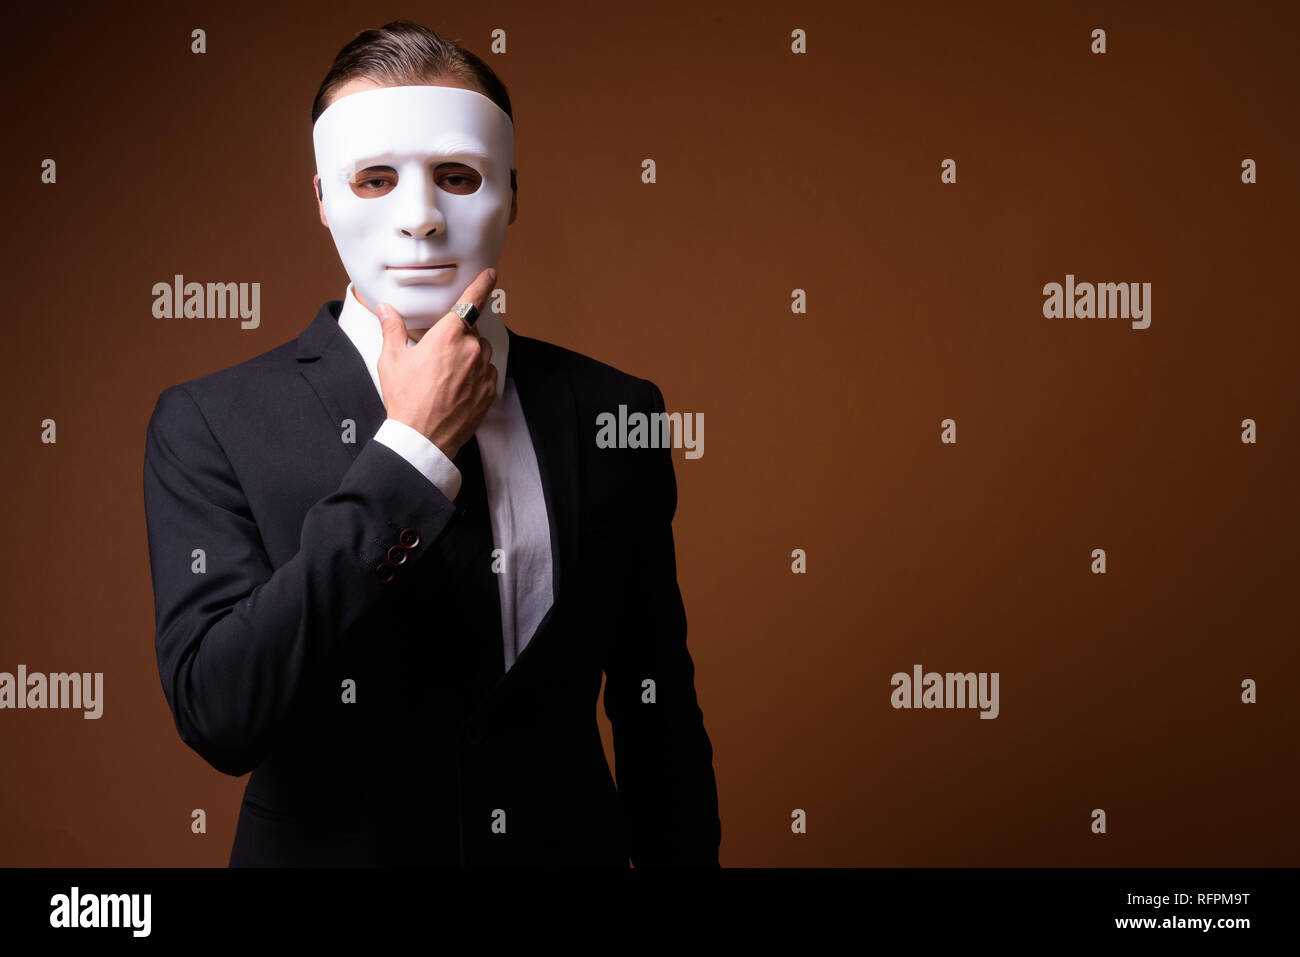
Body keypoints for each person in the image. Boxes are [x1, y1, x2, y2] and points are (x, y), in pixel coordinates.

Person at [142, 20, 721, 867]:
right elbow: (222, 712)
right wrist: (409, 454)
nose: (419, 219)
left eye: (457, 176)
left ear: (513, 193)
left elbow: (656, 706)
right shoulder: (210, 422)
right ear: (321, 198)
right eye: (375, 179)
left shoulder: (616, 411)